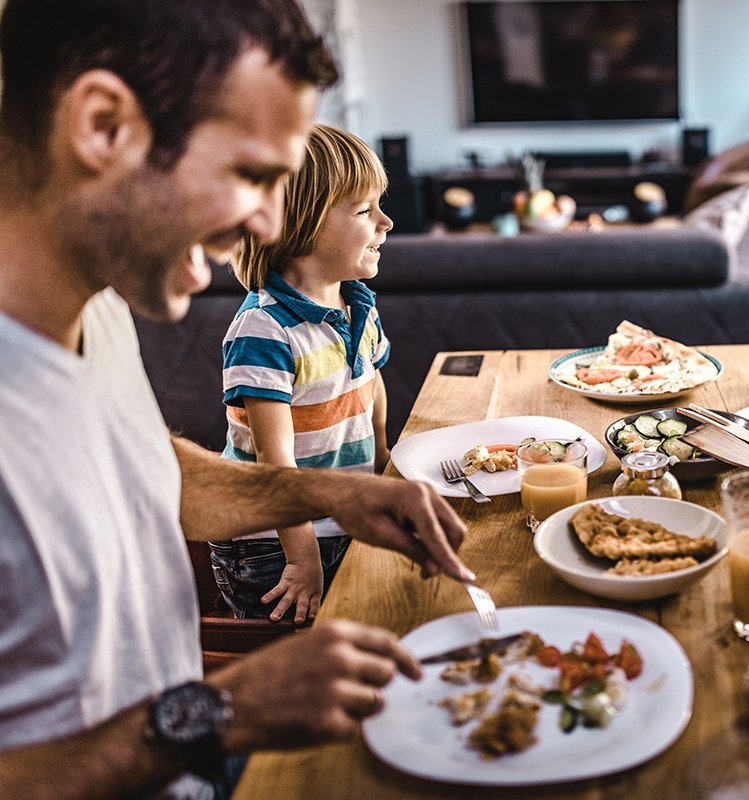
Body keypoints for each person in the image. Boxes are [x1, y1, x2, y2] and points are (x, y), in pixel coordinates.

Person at [0, 2, 474, 798]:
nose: (265, 219)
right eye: (251, 174)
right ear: (103, 126)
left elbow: (144, 476)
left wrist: (329, 490)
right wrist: (217, 714)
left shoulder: (101, 307)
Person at [214, 124, 395, 623]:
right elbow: (277, 461)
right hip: (274, 544)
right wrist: (302, 557)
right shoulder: (265, 328)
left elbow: (369, 384)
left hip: (338, 519)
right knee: (297, 670)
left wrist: (382, 462)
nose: (387, 222)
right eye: (364, 211)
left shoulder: (356, 303)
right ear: (301, 224)